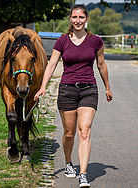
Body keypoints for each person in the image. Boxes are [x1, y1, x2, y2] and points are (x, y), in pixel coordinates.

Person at [34, 4, 112, 187]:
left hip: (88, 90)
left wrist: (108, 87)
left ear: (86, 19)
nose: (78, 21)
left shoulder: (96, 41)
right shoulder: (62, 41)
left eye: (81, 17)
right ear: (70, 19)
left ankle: (83, 174)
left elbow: (101, 65)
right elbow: (52, 64)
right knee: (69, 133)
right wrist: (43, 86)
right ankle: (69, 162)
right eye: (75, 17)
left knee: (84, 131)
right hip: (67, 90)